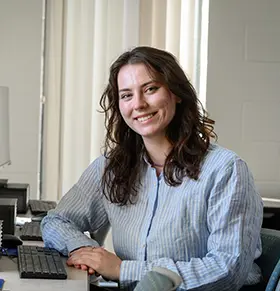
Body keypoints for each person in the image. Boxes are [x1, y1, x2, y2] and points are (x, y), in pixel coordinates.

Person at [41, 46, 264, 291]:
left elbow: (227, 268)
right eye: (126, 95)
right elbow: (56, 221)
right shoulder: (110, 167)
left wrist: (121, 270)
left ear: (176, 93)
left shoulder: (226, 170)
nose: (139, 104)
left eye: (150, 89)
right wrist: (84, 250)